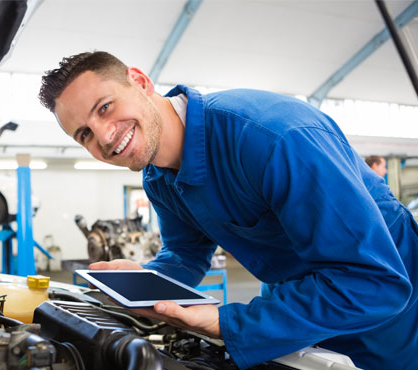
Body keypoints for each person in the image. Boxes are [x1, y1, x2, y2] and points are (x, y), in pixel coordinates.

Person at [38, 51, 417, 370]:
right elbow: (185, 254)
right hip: (297, 312)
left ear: (140, 81)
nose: (103, 136)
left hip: (391, 321)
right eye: (84, 134)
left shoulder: (273, 138)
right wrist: (142, 284)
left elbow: (374, 284)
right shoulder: (157, 176)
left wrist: (230, 322)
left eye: (105, 107)